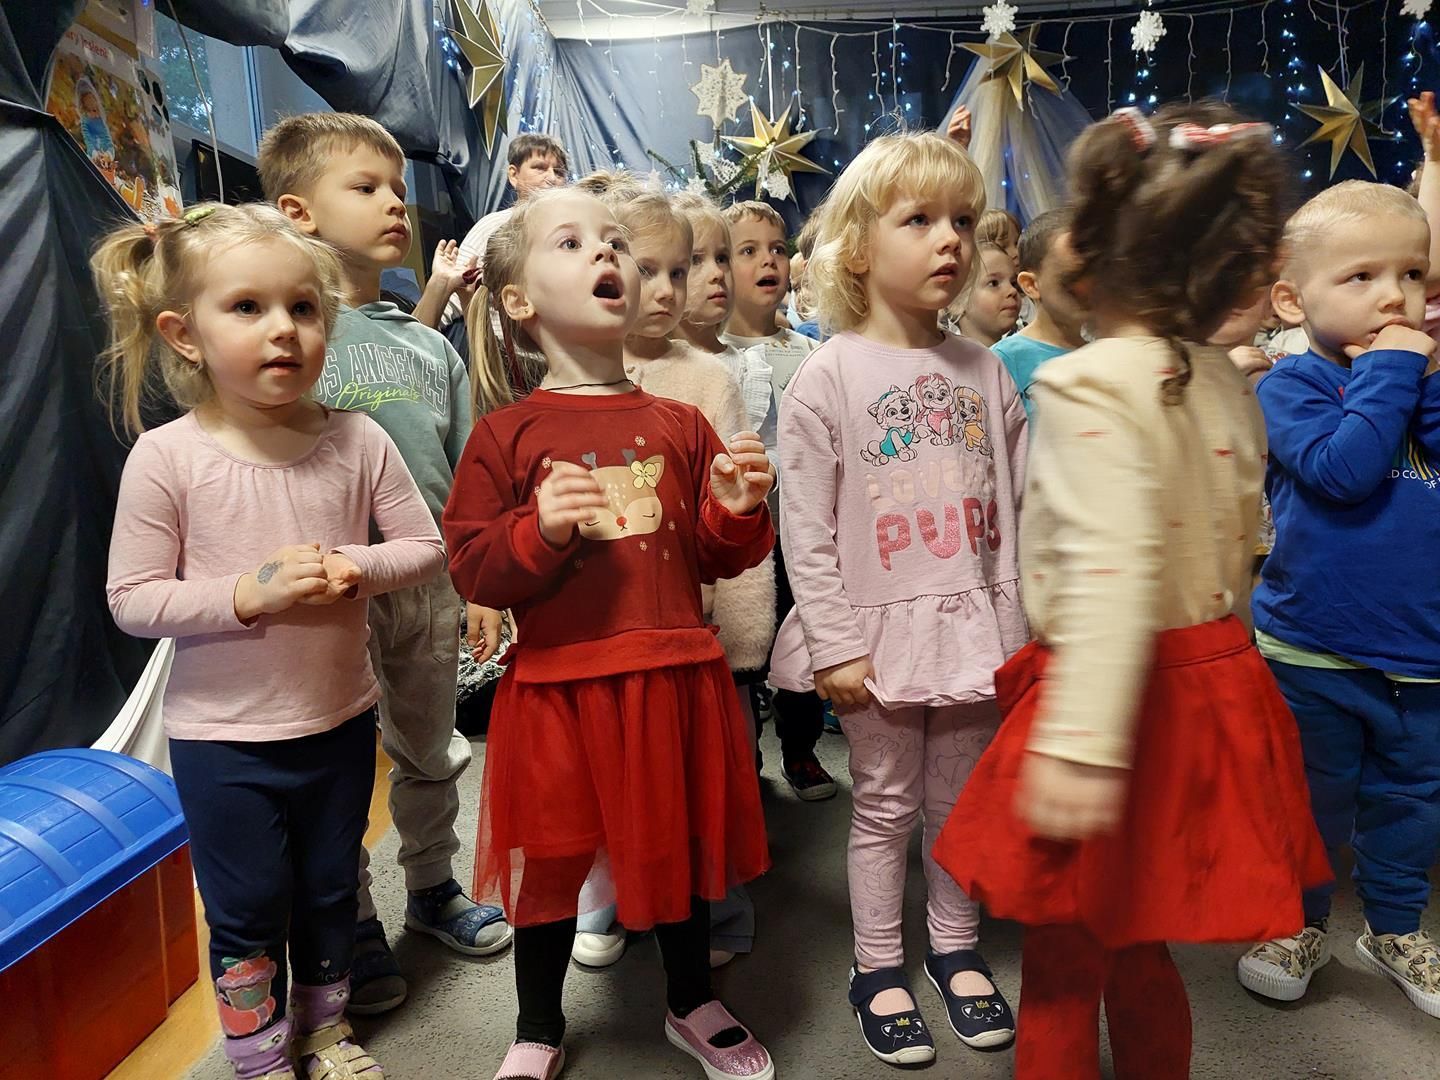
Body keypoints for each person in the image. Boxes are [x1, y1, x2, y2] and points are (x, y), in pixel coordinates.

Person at [932, 104, 1330, 1080]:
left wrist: (1080, 744)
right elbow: (1240, 539)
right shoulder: (1224, 379)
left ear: (1092, 258)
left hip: (1112, 700)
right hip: (1211, 684)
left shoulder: (1088, 383)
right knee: (1142, 934)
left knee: (1066, 957)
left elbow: (1113, 567)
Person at [97, 202, 447, 1080]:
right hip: (223, 740)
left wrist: (356, 567)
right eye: (248, 308)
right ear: (184, 334)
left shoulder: (358, 438)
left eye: (303, 307)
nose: (283, 329)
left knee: (331, 889)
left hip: (339, 721)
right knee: (248, 904)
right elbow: (132, 599)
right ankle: (257, 1055)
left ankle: (325, 1030)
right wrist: (248, 594)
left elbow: (425, 546)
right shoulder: (167, 457)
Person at [445, 187, 777, 1080]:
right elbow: (474, 569)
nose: (606, 254)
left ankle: (691, 1001)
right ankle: (536, 1027)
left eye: (615, 242)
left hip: (674, 677)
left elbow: (717, 555)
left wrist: (739, 508)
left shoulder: (682, 423)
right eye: (572, 241)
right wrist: (539, 529)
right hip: (559, 691)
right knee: (552, 864)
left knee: (680, 848)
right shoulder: (505, 435)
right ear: (519, 299)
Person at [768, 131, 1028, 1067]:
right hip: (873, 639)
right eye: (919, 219)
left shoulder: (986, 369)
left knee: (957, 803)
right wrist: (834, 642)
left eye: (961, 219)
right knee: (884, 804)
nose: (950, 238)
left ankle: (955, 947)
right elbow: (806, 529)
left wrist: (1025, 625)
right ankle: (877, 964)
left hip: (976, 628)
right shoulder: (827, 375)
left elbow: (1021, 504)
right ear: (856, 250)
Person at [259, 112, 512, 1016]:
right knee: (335, 766)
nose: (395, 204)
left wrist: (480, 582)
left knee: (431, 746)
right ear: (299, 212)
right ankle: (351, 920)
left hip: (429, 583)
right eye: (365, 188)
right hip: (327, 592)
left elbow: (467, 474)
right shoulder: (289, 342)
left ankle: (433, 885)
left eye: (398, 188)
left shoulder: (430, 345)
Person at [1236, 180, 1440, 1018]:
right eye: (1361, 276)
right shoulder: (1291, 386)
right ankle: (1297, 920)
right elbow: (1342, 472)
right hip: (1315, 648)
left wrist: (1423, 377)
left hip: (1423, 656)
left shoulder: (1419, 379)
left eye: (1413, 274)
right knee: (1309, 800)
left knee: (1410, 804)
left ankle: (1394, 929)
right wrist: (1394, 367)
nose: (1395, 297)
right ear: (1292, 300)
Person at [719, 200, 836, 799]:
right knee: (743, 646)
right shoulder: (711, 353)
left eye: (778, 249)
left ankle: (801, 748)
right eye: (748, 251)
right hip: (739, 531)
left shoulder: (810, 353)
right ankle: (744, 753)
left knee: (802, 636)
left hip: (798, 528)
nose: (769, 260)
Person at [992, 208, 1087, 418]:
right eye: (1071, 278)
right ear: (1031, 285)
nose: (1086, 288)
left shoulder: (1102, 353)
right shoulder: (1003, 360)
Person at [952, 240, 1022, 347]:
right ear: (957, 302)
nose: (1012, 290)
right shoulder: (948, 357)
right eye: (994, 283)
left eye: (1013, 283)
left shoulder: (1024, 350)